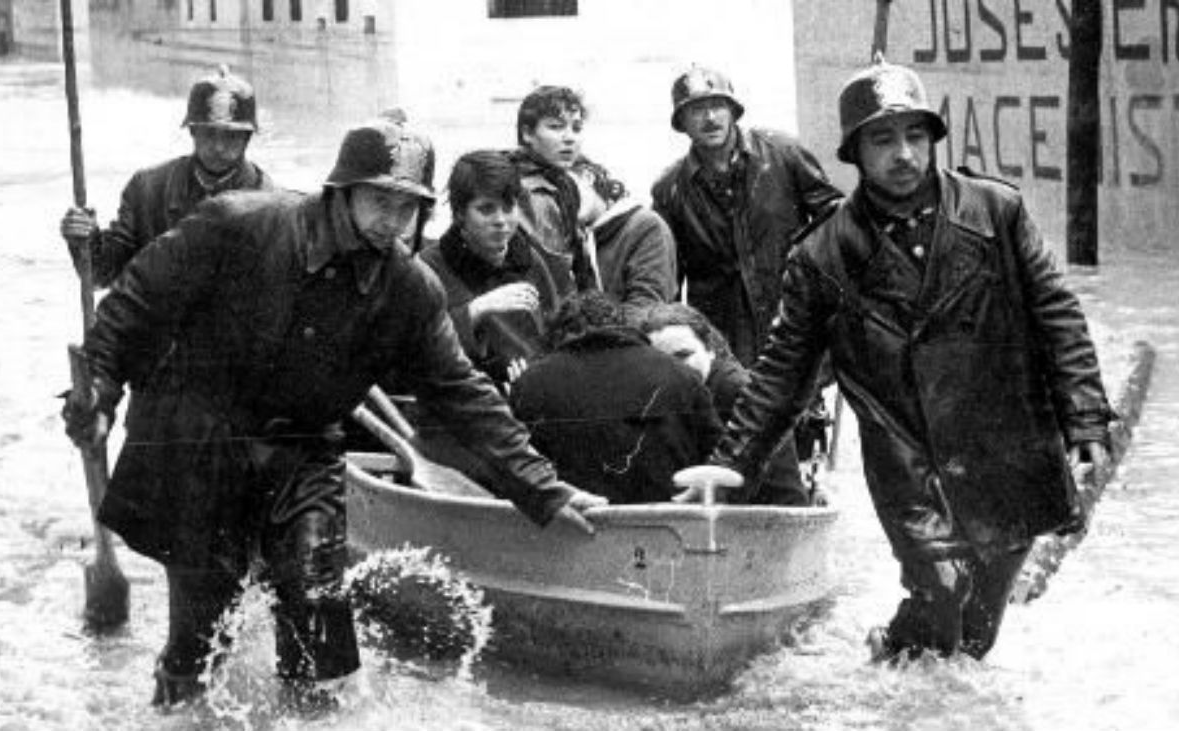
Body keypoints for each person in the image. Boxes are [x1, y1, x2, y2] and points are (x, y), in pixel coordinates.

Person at [62, 116, 607, 710]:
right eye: (379, 200)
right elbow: (134, 303)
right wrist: (101, 389)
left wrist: (543, 487)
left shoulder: (410, 288)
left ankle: (310, 717)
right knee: (200, 630)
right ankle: (181, 715)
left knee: (320, 614)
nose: (392, 221)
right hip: (200, 442)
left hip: (305, 451)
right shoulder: (239, 224)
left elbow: (462, 391)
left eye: (407, 208)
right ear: (341, 191)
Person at [672, 59, 1113, 664]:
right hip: (909, 456)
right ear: (855, 152)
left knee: (978, 629)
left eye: (915, 135)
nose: (903, 153)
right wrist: (731, 464)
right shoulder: (823, 255)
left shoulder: (995, 211)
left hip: (1005, 441)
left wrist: (1085, 416)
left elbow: (1057, 313)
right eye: (883, 138)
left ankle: (898, 660)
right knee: (943, 586)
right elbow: (782, 375)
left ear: (933, 139)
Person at [651, 65, 843, 509]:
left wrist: (822, 279)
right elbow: (670, 274)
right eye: (696, 110)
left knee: (802, 411)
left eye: (717, 106)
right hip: (725, 326)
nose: (710, 118)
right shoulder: (670, 189)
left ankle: (805, 504)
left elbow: (834, 218)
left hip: (790, 312)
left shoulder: (783, 154)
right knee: (742, 420)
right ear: (683, 123)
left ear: (733, 110)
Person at [59, 65, 273, 288]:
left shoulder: (268, 201)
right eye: (209, 133)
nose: (218, 147)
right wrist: (85, 239)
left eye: (231, 137)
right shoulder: (147, 190)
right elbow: (103, 274)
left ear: (247, 138)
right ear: (193, 131)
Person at [509, 291, 722, 504]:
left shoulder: (530, 384)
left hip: (569, 526)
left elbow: (515, 469)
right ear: (621, 325)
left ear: (558, 337)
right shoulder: (682, 376)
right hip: (665, 525)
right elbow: (715, 461)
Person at [419, 150, 574, 388]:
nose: (501, 220)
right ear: (460, 214)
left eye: (509, 207)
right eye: (486, 209)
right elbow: (416, 351)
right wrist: (474, 311)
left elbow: (561, 332)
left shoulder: (532, 258)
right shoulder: (428, 268)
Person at [639, 302, 816, 506]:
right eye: (661, 362)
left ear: (710, 350)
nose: (675, 370)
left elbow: (785, 490)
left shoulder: (737, 391)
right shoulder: (656, 395)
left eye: (684, 356)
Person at [509, 85, 597, 289]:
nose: (569, 138)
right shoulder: (533, 193)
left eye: (576, 128)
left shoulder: (561, 182)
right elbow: (554, 278)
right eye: (556, 127)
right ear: (528, 134)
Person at [572, 159, 678, 322]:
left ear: (587, 177)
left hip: (631, 341)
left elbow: (646, 306)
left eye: (569, 187)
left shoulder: (645, 226)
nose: (567, 200)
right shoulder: (573, 238)